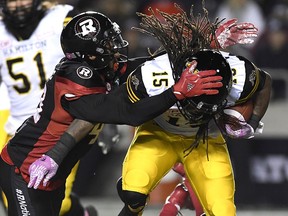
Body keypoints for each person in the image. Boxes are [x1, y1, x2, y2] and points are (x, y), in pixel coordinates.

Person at [0, 11, 224, 216]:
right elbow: (129, 113)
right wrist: (175, 93)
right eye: (107, 44)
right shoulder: (76, 79)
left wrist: (202, 45)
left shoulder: (98, 68)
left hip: (51, 172)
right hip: (24, 168)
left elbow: (147, 66)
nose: (115, 47)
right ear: (90, 55)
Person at [116, 3, 271, 216]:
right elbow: (124, 106)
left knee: (223, 210)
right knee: (133, 192)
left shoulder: (238, 73)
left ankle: (183, 195)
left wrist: (251, 123)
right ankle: (143, 202)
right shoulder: (155, 75)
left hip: (206, 139)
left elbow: (264, 83)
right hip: (160, 134)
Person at [0, 0, 103, 215]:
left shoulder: (60, 18)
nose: (18, 5)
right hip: (20, 128)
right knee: (18, 202)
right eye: (12, 0)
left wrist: (102, 110)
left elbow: (93, 58)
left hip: (59, 125)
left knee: (59, 203)